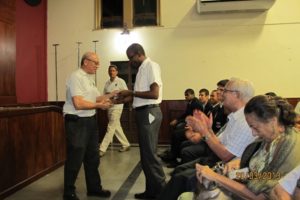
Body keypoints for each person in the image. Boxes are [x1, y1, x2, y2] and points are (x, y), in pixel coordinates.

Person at [158, 78, 256, 200]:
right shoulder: (235, 116)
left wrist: (204, 132)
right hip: (217, 160)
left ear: (237, 94)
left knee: (181, 177)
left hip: (225, 167)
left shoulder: (245, 120)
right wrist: (207, 129)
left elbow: (226, 156)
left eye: (225, 91)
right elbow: (219, 140)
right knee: (179, 170)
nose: (221, 94)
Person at [190, 95, 300, 200]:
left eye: (255, 127)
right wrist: (231, 172)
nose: (253, 133)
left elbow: (260, 196)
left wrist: (216, 177)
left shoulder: (290, 146)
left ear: (273, 121)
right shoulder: (270, 138)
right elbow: (254, 174)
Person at [117, 43, 166, 199]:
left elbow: (154, 93)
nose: (130, 61)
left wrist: (130, 92)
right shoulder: (142, 70)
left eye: (131, 58)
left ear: (139, 53)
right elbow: (139, 96)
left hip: (149, 113)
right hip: (143, 113)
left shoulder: (151, 66)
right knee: (145, 155)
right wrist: (123, 99)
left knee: (150, 155)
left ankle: (161, 192)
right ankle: (151, 190)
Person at [63, 52, 113, 200]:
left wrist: (111, 95)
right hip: (77, 122)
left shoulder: (89, 79)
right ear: (85, 62)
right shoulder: (76, 77)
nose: (98, 66)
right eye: (95, 63)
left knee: (93, 158)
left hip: (90, 121)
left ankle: (94, 188)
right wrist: (99, 105)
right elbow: (78, 103)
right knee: (75, 158)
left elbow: (96, 98)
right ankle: (68, 192)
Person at [160, 88, 203, 167]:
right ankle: (172, 154)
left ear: (193, 95)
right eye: (185, 96)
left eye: (187, 95)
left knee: (177, 133)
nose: (185, 97)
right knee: (176, 127)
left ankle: (174, 158)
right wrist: (177, 120)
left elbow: (197, 118)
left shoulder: (196, 104)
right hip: (188, 122)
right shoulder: (190, 102)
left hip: (193, 126)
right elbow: (186, 114)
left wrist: (189, 125)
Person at [99, 65, 130, 157]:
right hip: (109, 106)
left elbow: (126, 93)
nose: (111, 72)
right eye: (110, 71)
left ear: (116, 72)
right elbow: (104, 95)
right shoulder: (107, 83)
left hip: (117, 106)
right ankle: (126, 144)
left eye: (113, 70)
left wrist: (116, 97)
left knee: (111, 126)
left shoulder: (120, 81)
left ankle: (102, 148)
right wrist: (103, 103)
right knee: (116, 126)